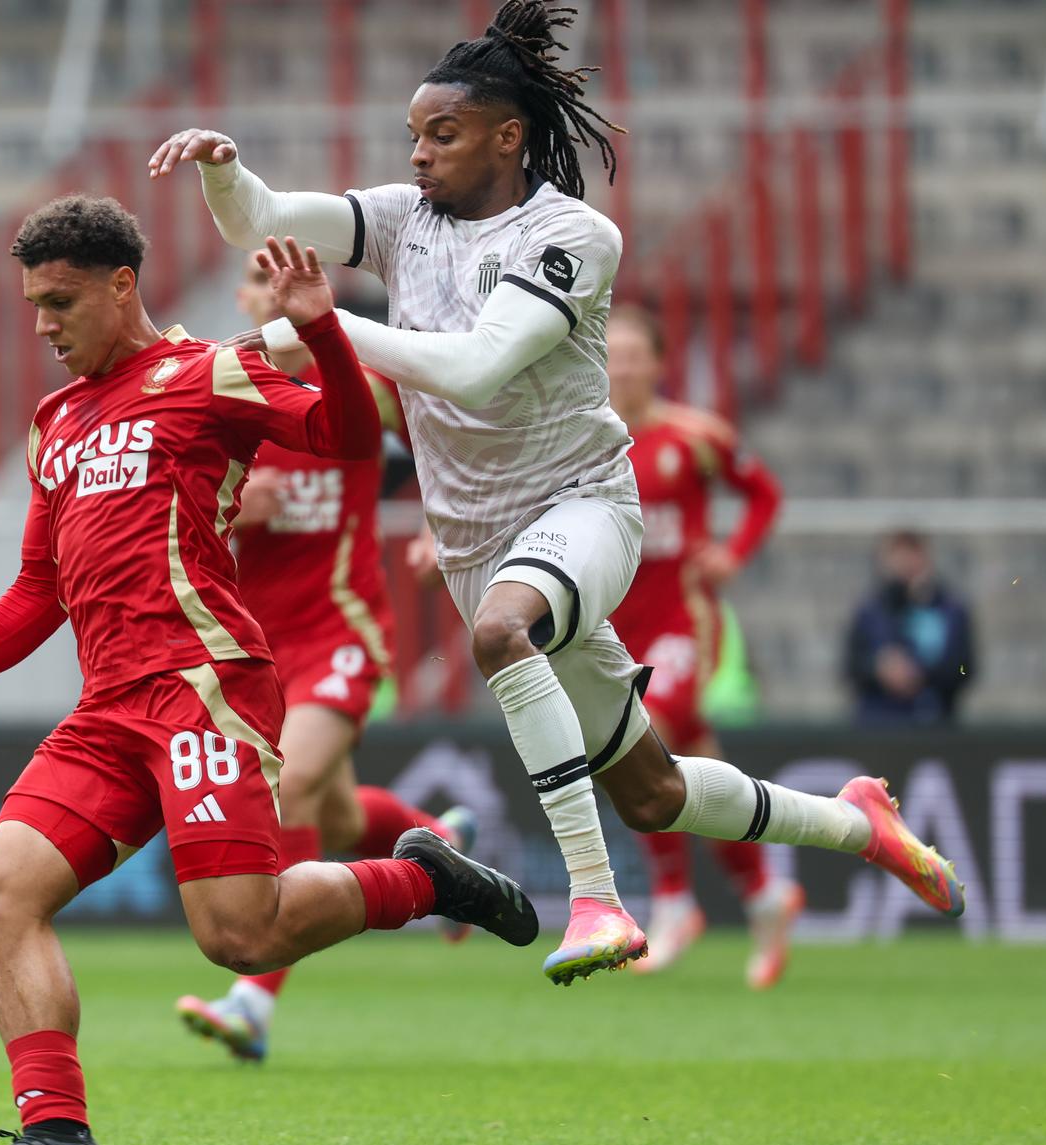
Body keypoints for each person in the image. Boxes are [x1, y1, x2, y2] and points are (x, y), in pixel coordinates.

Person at [150, 0, 964, 985]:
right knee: (655, 791)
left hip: (583, 508)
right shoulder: (404, 222)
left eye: (440, 135)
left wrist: (326, 330)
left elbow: (475, 368)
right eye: (412, 136)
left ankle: (596, 899)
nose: (418, 156)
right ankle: (858, 823)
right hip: (473, 537)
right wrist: (224, 172)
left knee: (502, 634)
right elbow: (270, 221)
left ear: (509, 134)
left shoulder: (575, 235)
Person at [0, 196, 538, 1145]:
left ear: (122, 285)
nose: (45, 326)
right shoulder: (53, 423)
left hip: (203, 689)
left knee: (237, 933)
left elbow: (349, 438)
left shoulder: (206, 373)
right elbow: (37, 588)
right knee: (1, 896)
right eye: (32, 307)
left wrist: (319, 325)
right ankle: (56, 1131)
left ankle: (423, 878)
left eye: (61, 302)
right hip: (107, 711)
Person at [176, 252, 478, 1064]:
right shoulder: (219, 392)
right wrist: (233, 514)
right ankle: (440, 849)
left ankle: (253, 1004)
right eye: (254, 285)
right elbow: (173, 517)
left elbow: (455, 444)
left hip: (341, 629)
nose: (270, 297)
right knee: (338, 818)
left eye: (284, 286)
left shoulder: (367, 387)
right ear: (242, 299)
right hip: (255, 644)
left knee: (294, 787)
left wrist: (443, 526)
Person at [604, 306, 800, 988]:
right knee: (695, 771)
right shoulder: (586, 438)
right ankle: (765, 895)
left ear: (659, 363)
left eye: (635, 354)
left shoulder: (695, 436)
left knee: (638, 740)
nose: (622, 365)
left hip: (683, 624)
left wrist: (732, 553)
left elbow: (764, 493)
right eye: (613, 352)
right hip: (614, 630)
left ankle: (674, 902)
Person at [846, 531, 977, 724]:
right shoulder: (870, 610)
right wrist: (879, 670)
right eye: (899, 556)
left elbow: (964, 668)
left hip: (936, 721)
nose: (906, 564)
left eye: (912, 555)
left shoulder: (951, 611)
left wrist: (922, 674)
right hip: (878, 722)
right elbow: (852, 666)